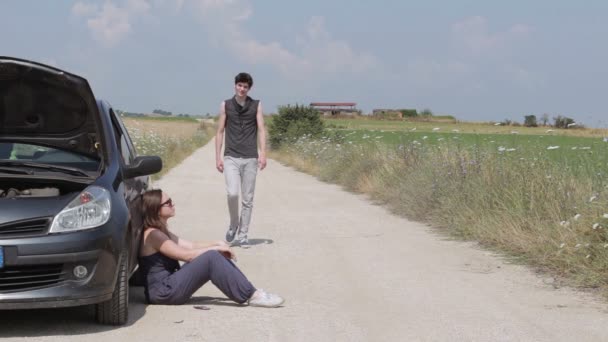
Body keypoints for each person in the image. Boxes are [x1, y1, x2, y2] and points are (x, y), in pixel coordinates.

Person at [138, 189, 284, 307]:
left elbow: (191, 245)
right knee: (211, 257)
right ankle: (252, 295)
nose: (173, 204)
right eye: (168, 203)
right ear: (156, 210)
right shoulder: (153, 235)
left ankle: (251, 291)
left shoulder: (161, 230)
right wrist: (215, 250)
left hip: (168, 286)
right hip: (163, 292)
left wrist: (217, 243)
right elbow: (186, 255)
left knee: (212, 254)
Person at [215, 72, 267, 247]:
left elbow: (261, 129)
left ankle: (243, 235)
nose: (242, 89)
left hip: (251, 157)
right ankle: (233, 224)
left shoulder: (256, 105)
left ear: (249, 88)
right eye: (240, 85)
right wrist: (217, 157)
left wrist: (263, 154)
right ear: (235, 85)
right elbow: (220, 131)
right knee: (232, 193)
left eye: (245, 86)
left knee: (248, 199)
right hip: (231, 156)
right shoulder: (226, 105)